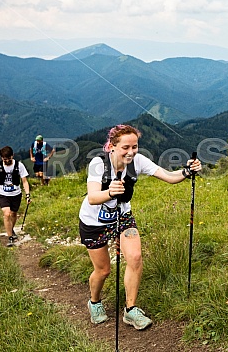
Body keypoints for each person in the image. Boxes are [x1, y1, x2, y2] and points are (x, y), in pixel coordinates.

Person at [79, 124, 201, 328]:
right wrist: (109, 192)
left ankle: (131, 309)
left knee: (135, 257)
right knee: (103, 271)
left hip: (123, 216)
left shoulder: (138, 161)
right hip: (94, 222)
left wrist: (187, 171)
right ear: (112, 146)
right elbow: (92, 197)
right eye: (125, 147)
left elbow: (169, 177)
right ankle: (94, 302)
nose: (131, 151)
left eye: (134, 146)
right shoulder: (98, 164)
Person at [0, 146, 31, 247]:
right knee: (6, 214)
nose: (7, 161)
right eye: (5, 159)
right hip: (2, 193)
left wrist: (27, 195)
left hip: (16, 193)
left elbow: (24, 181)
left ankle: (11, 229)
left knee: (14, 214)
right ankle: (10, 237)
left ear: (12, 156)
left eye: (9, 158)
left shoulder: (19, 165)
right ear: (1, 158)